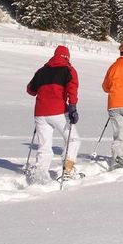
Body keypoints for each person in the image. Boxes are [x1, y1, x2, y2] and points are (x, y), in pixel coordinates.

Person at [26, 45, 81, 181]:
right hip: (59, 111)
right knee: (73, 139)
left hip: (40, 113)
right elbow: (72, 89)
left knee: (44, 146)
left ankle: (40, 174)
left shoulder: (41, 71)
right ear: (67, 57)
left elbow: (30, 90)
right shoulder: (69, 70)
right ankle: (68, 170)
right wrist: (73, 107)